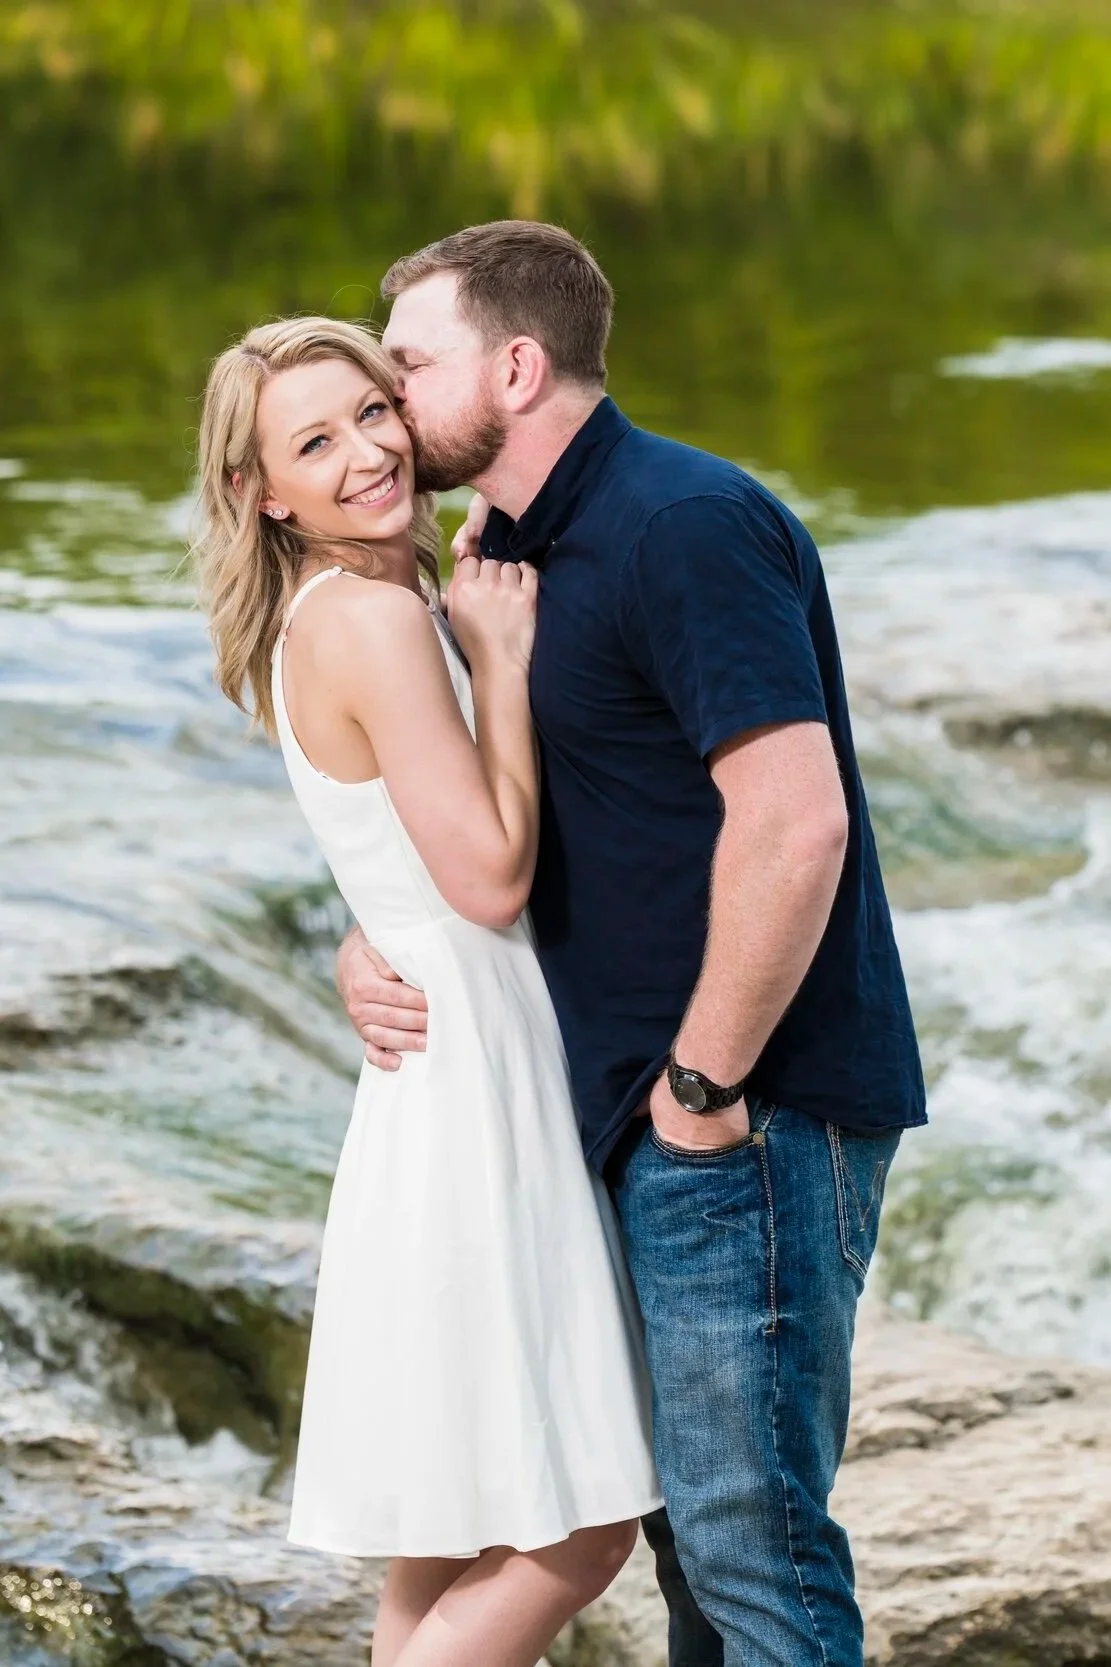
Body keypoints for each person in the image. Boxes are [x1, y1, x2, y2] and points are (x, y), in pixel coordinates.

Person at [338, 221, 928, 1667]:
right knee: (692, 1545)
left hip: (746, 1116)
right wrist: (369, 941)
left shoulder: (683, 523)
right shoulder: (504, 561)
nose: (388, 401)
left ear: (517, 365)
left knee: (751, 1544)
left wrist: (703, 1091)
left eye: (407, 365)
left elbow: (795, 826)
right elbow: (506, 830)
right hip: (618, 1115)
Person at [192, 315, 662, 1667]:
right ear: (259, 493)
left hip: (441, 1064)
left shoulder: (328, 615)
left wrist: (361, 931)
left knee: (447, 1532)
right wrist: (501, 659)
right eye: (313, 442)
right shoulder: (380, 618)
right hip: (472, 1077)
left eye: (373, 412)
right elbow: (491, 875)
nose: (365, 454)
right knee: (579, 1528)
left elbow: (395, 858)